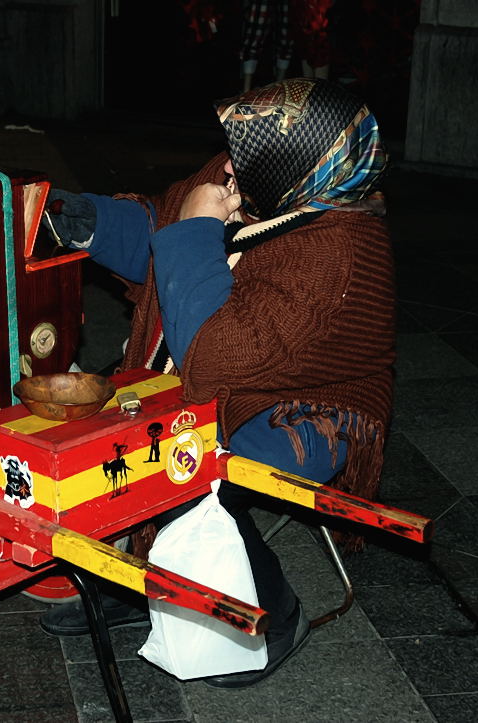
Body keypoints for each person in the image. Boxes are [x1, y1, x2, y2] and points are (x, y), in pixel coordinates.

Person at [39, 78, 394, 688]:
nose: (228, 163)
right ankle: (148, 582)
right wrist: (84, 219)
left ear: (297, 169)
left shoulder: (339, 252)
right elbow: (163, 219)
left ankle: (276, 617)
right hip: (231, 358)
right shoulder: (257, 176)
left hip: (310, 404)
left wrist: (195, 232)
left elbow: (211, 357)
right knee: (109, 439)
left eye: (245, 154)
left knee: (191, 468)